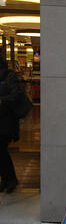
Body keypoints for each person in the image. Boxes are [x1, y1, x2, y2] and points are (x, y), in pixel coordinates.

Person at [0, 58, 21, 193]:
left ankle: (10, 179)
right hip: (2, 120)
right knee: (1, 152)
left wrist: (2, 100)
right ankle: (7, 179)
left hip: (7, 121)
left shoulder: (9, 77)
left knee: (1, 150)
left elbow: (16, 95)